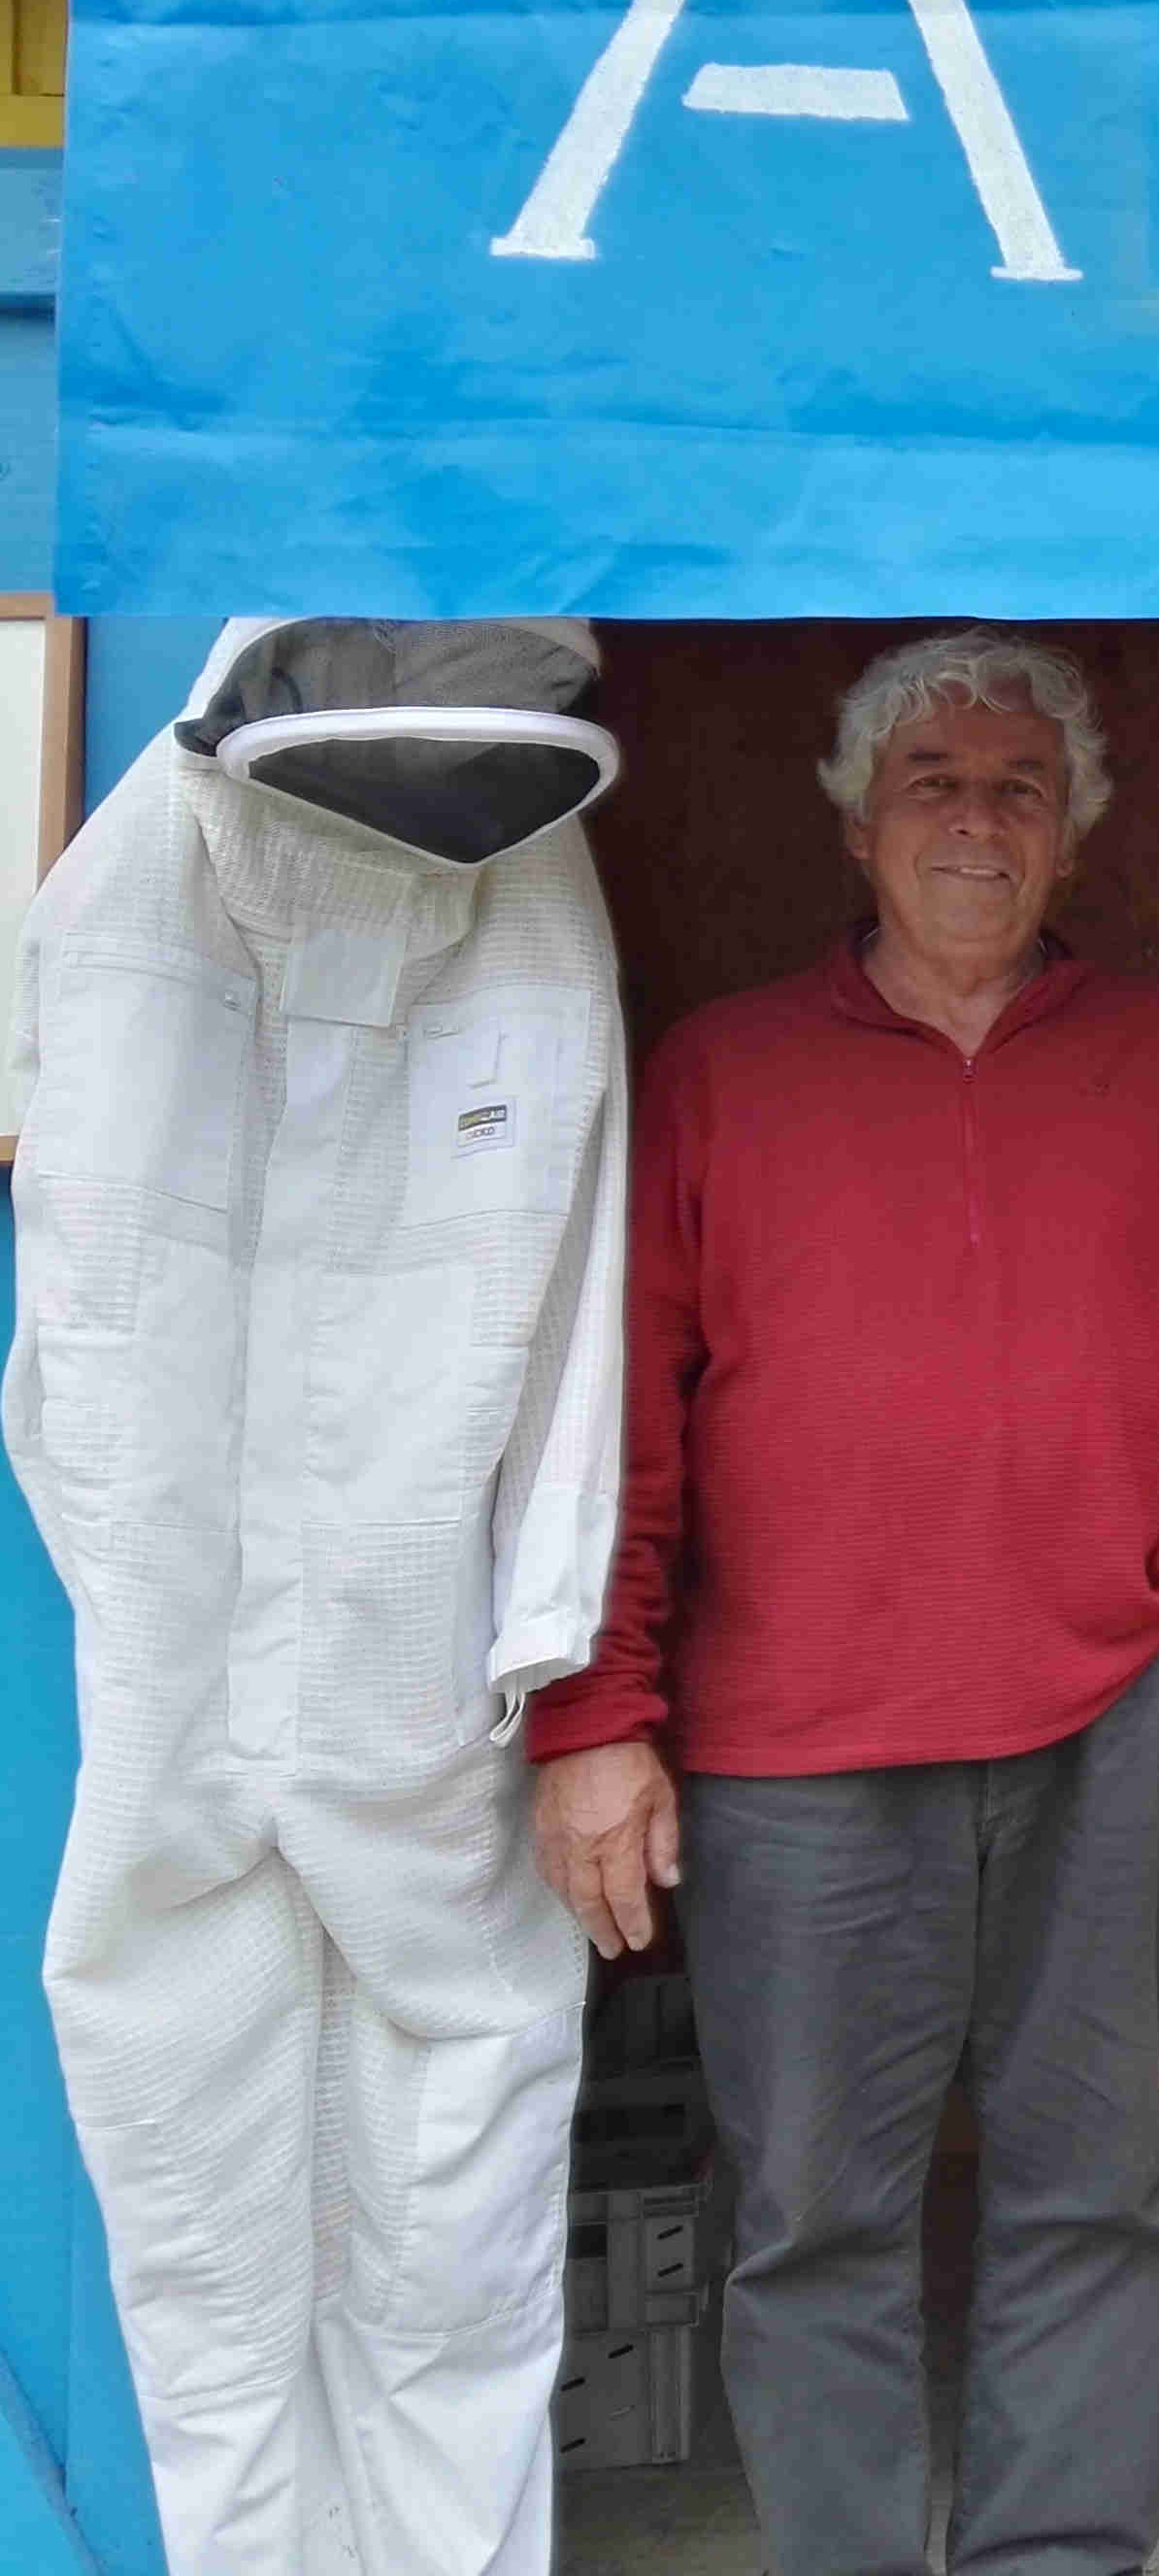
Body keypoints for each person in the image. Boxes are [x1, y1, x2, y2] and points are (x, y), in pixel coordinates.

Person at [524, 628, 1159, 2576]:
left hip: (1108, 1721)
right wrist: (596, 1716)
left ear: (1071, 838)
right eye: (931, 783)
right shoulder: (724, 1075)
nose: (974, 820)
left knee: (1094, 2188)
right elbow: (615, 1438)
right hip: (795, 1749)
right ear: (854, 825)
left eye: (1016, 787)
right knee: (814, 2216)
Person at [14, 618, 627, 2576]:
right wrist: (126, 1541)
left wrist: (539, 1611)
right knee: (199, 2224)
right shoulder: (129, 897)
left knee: (457, 2227)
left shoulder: (541, 913)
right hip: (185, 1657)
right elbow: (79, 1293)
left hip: (413, 1658)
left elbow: (580, 1291)